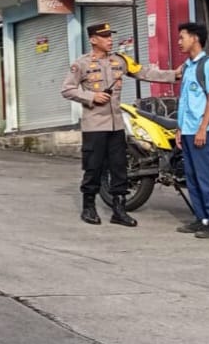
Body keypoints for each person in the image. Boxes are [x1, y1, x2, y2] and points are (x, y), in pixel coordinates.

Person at [61, 22, 180, 226]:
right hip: (95, 126)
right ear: (93, 40)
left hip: (116, 126)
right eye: (105, 36)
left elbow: (144, 73)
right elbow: (67, 89)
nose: (110, 39)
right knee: (94, 167)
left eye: (110, 35)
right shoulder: (81, 64)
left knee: (119, 168)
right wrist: (91, 96)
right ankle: (88, 207)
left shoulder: (120, 60)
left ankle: (119, 209)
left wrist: (173, 75)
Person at [174, 23, 209, 239]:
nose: (179, 42)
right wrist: (179, 129)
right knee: (192, 176)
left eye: (182, 37)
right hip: (186, 130)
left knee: (206, 176)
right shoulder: (187, 66)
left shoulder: (208, 65)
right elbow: (185, 101)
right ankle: (201, 218)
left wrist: (203, 128)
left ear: (195, 38)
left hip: (201, 130)